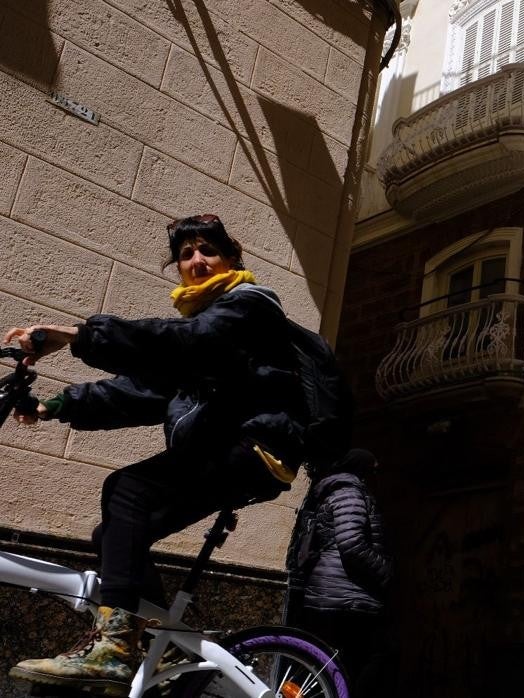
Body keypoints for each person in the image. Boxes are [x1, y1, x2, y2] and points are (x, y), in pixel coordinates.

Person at [4, 214, 308, 694]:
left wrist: (77, 337)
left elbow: (184, 343)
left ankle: (115, 645)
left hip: (256, 448)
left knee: (126, 489)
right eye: (186, 255)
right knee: (114, 535)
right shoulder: (202, 329)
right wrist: (54, 405)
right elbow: (144, 392)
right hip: (225, 449)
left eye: (207, 250)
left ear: (232, 259)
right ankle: (151, 643)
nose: (196, 261)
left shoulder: (248, 308)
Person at [286, 448, 392, 694]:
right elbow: (351, 544)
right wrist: (384, 569)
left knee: (325, 664)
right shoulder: (351, 495)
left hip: (334, 594)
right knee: (365, 660)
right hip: (347, 597)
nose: (377, 475)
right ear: (362, 470)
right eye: (373, 469)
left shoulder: (334, 493)